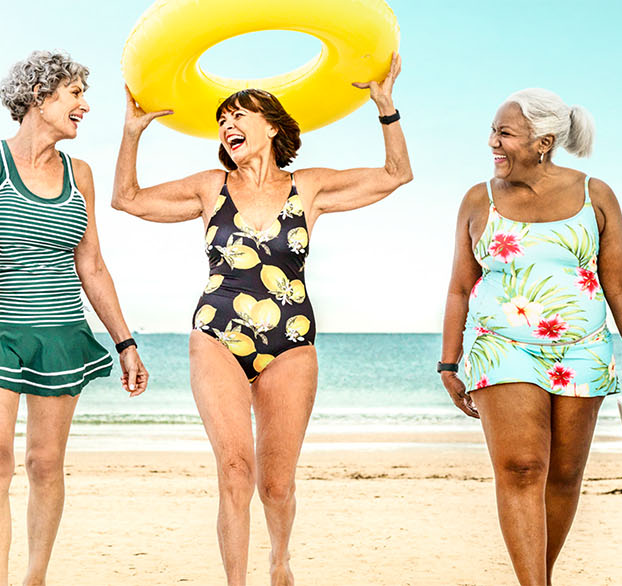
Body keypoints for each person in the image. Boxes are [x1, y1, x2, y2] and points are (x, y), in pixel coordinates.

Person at [111, 55, 409, 586]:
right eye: (221, 118)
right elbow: (126, 200)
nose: (228, 124)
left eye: (239, 113)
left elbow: (396, 175)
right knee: (234, 472)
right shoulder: (210, 187)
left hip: (291, 341)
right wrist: (133, 131)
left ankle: (280, 560)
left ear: (271, 125)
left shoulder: (309, 187)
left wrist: (385, 107)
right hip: (217, 334)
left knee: (276, 484)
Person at [0, 50, 149, 586]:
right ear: (40, 96)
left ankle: (35, 578)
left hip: (62, 332)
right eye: (75, 94)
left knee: (44, 463)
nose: (84, 106)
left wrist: (125, 342)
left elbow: (93, 265)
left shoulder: (78, 173)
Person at [437, 88, 622, 586]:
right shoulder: (479, 200)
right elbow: (459, 286)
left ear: (544, 140)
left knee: (562, 477)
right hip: (502, 349)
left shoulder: (594, 196)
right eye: (493, 131)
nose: (493, 142)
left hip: (582, 352)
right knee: (521, 467)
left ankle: (541, 578)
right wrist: (448, 362)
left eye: (505, 133)